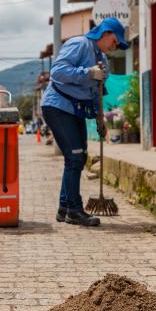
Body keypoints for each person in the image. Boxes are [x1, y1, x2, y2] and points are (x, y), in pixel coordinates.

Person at [40, 17, 128, 227]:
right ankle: (74, 210)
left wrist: (100, 119)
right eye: (115, 41)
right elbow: (57, 72)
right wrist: (87, 72)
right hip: (58, 105)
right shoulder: (79, 44)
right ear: (104, 33)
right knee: (75, 156)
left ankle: (64, 208)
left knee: (79, 156)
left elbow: (96, 92)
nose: (114, 47)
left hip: (76, 110)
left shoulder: (103, 61)